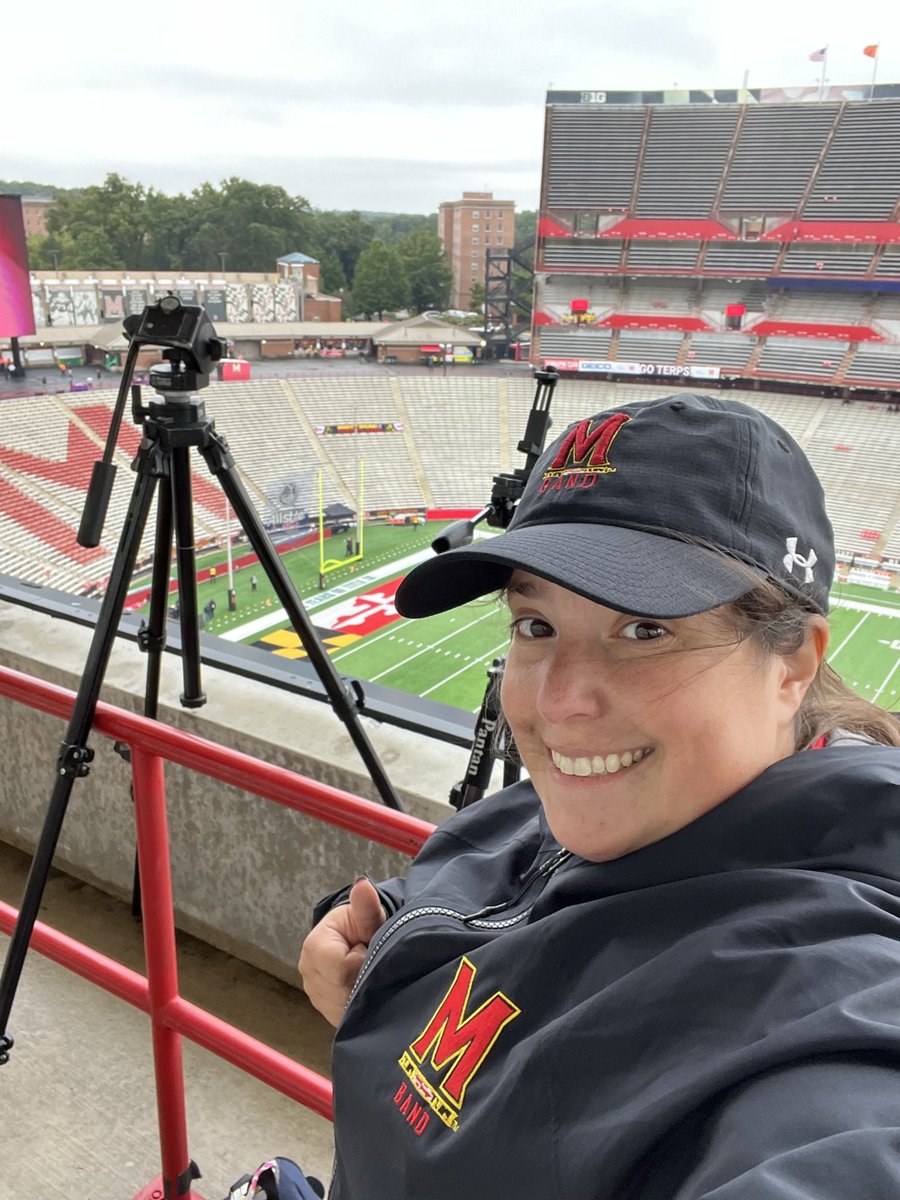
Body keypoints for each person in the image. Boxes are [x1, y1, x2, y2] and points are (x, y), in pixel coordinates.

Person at [298, 394, 900, 1199]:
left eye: (646, 629)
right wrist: (377, 948)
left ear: (792, 665)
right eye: (535, 626)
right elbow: (515, 902)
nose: (560, 703)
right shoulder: (618, 806)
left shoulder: (838, 1007)